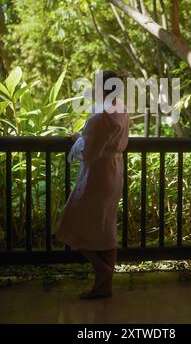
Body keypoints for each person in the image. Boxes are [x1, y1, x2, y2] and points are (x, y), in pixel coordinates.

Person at [56, 70, 129, 299]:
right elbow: (105, 141)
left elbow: (88, 153)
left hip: (98, 175)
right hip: (114, 171)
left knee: (70, 224)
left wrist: (77, 140)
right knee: (107, 225)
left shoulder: (100, 117)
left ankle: (102, 270)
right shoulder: (121, 110)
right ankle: (104, 285)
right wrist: (85, 136)